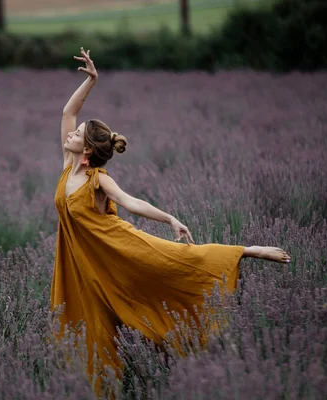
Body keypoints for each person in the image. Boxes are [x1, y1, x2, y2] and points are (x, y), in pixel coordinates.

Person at [50, 47, 290, 391]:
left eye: (77, 134)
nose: (70, 134)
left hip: (118, 247)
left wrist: (170, 219)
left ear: (86, 150)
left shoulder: (97, 180)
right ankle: (104, 388)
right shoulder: (66, 167)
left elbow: (132, 202)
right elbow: (67, 111)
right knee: (94, 324)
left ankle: (246, 251)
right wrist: (92, 80)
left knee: (175, 260)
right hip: (83, 262)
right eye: (74, 133)